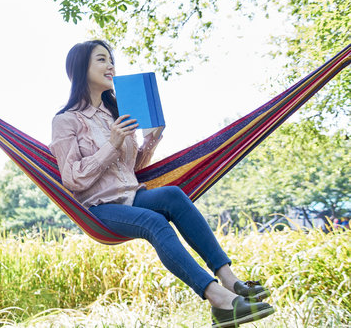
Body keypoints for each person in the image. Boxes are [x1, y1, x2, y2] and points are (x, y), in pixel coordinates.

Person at [49, 40, 275, 328]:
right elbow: (72, 179)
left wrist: (151, 139)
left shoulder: (118, 113)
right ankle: (218, 300)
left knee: (173, 195)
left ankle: (230, 280)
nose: (111, 66)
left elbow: (133, 168)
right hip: (100, 208)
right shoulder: (67, 121)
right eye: (102, 60)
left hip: (131, 196)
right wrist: (112, 143)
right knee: (155, 222)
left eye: (111, 60)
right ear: (81, 68)